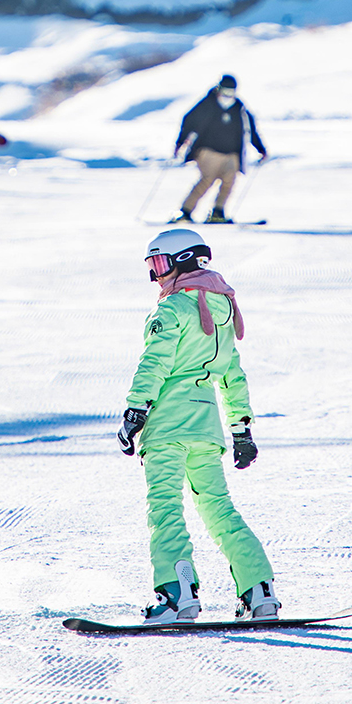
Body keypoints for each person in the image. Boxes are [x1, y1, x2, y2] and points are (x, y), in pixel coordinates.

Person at [117, 226, 280, 625]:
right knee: (218, 508)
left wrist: (135, 411)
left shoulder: (171, 309)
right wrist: (240, 428)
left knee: (166, 510)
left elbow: (154, 363)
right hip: (206, 428)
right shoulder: (222, 310)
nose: (156, 276)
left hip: (168, 427)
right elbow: (232, 374)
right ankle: (259, 591)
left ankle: (177, 597)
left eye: (159, 264)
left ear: (183, 261)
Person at [172, 74, 266, 224]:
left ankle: (218, 212)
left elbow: (250, 129)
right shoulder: (207, 103)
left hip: (231, 153)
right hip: (208, 151)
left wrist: (260, 148)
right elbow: (189, 120)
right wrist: (181, 142)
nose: (227, 96)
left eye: (231, 93)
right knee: (207, 179)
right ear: (218, 89)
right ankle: (185, 212)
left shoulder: (238, 108)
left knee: (229, 181)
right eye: (225, 92)